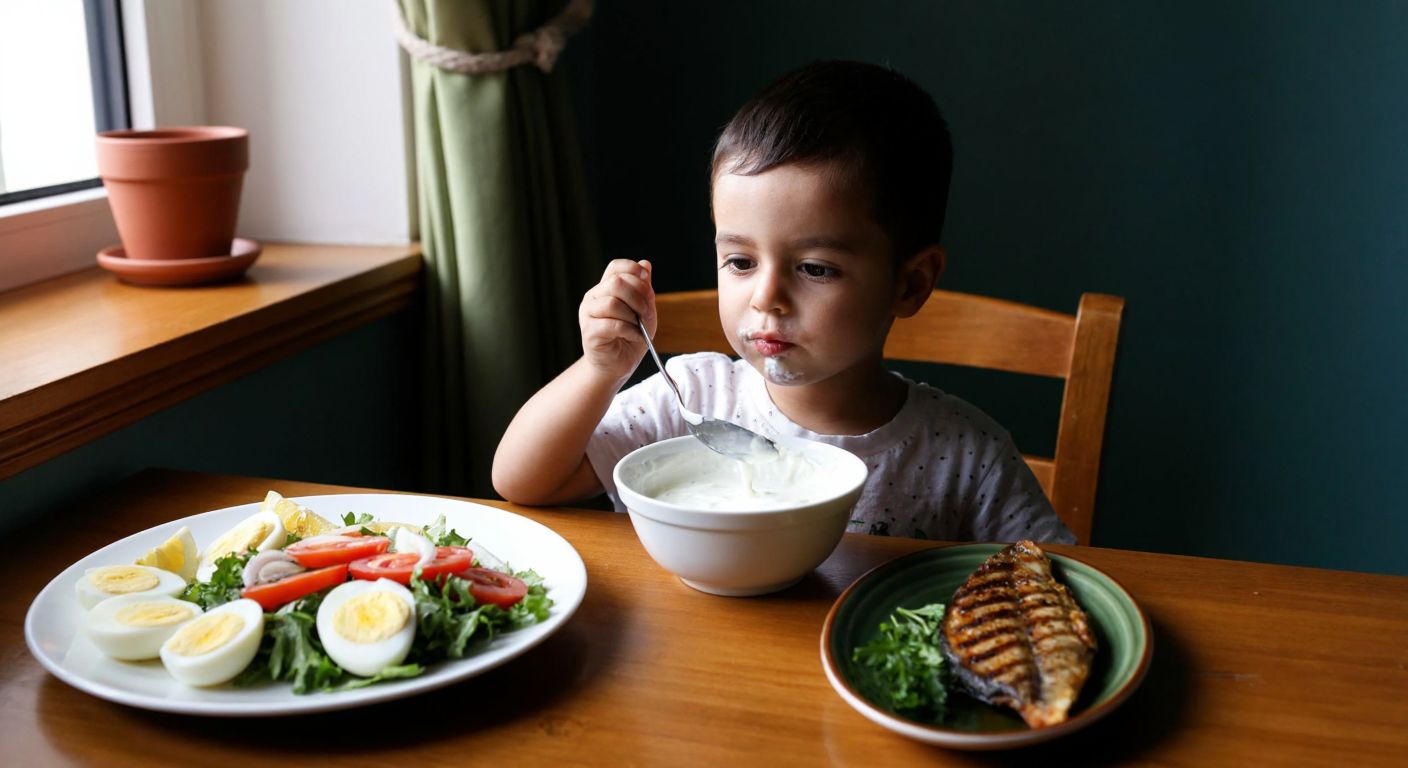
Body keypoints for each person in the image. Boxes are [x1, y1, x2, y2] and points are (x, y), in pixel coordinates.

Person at [493, 60, 1074, 544]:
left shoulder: (964, 456)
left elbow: (1061, 576)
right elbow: (522, 480)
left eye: (815, 268)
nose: (766, 297)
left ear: (910, 284)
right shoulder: (693, 402)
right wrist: (600, 371)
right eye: (741, 262)